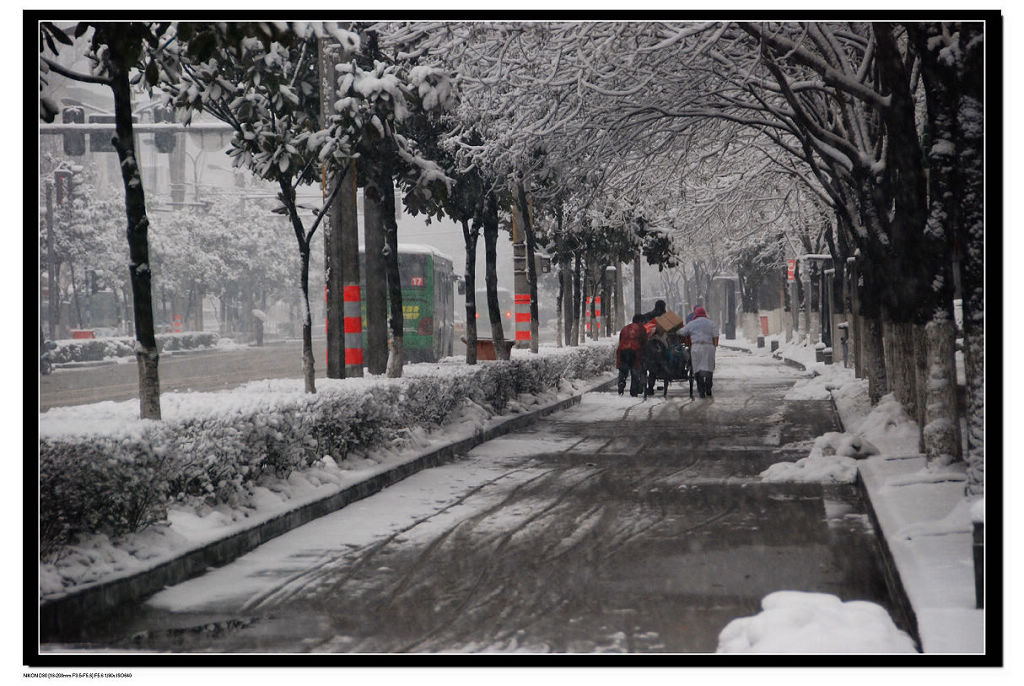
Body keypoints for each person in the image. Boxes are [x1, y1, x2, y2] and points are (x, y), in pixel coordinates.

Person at [677, 305, 719, 398]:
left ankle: (701, 390)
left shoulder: (692, 323)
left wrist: (676, 330)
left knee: (697, 368)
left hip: (696, 347)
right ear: (704, 314)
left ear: (695, 314)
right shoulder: (711, 323)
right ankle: (708, 387)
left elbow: (683, 332)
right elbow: (716, 336)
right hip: (709, 347)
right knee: (709, 367)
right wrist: (714, 346)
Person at [616, 314, 648, 396]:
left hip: (622, 351)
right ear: (640, 321)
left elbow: (621, 340)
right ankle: (633, 390)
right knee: (635, 370)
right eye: (643, 321)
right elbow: (644, 342)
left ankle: (621, 383)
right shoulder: (641, 328)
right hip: (634, 351)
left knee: (623, 369)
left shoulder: (625, 328)